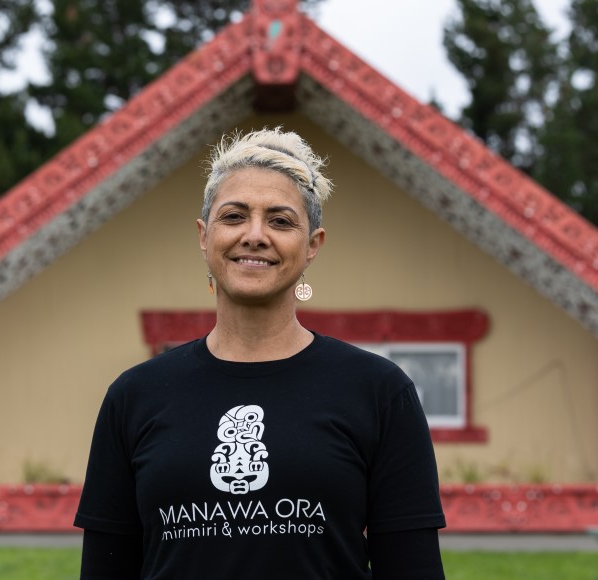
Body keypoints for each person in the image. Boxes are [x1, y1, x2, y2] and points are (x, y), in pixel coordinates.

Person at [74, 127, 446, 579]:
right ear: (203, 236)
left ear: (313, 245)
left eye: (281, 220)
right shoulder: (135, 396)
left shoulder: (380, 392)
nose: (254, 235)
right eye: (233, 217)